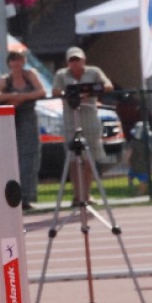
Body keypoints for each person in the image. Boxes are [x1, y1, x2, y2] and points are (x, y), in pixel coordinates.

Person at [51, 46, 113, 206]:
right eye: (72, 60)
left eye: (77, 59)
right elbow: (55, 91)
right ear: (67, 62)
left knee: (89, 159)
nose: (75, 63)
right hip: (71, 120)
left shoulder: (94, 72)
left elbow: (108, 85)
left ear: (83, 60)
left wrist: (88, 92)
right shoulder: (61, 74)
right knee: (73, 159)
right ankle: (77, 195)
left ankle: (86, 194)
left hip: (90, 119)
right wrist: (70, 94)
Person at [0, 50, 46, 210]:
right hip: (10, 119)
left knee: (30, 156)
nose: (16, 63)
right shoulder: (5, 79)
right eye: (13, 60)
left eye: (19, 59)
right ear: (9, 63)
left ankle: (27, 196)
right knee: (10, 157)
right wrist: (16, 97)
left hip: (28, 118)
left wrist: (21, 98)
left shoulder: (30, 75)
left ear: (24, 61)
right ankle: (10, 197)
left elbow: (41, 91)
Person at [126, 121, 152, 196]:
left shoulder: (132, 143)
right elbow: (151, 156)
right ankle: (141, 191)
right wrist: (150, 164)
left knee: (130, 175)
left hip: (134, 165)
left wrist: (127, 161)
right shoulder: (147, 145)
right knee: (143, 180)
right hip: (144, 167)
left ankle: (131, 185)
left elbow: (129, 153)